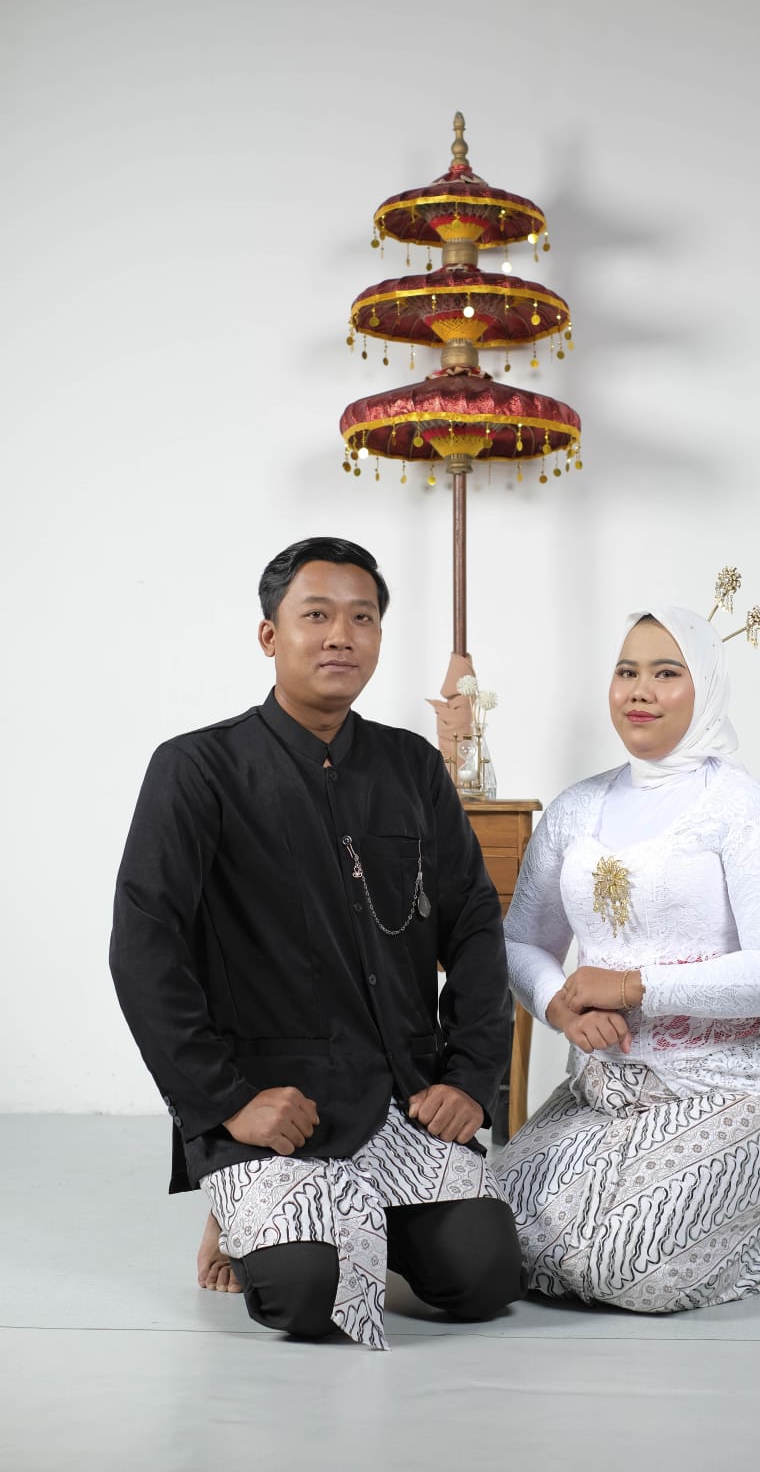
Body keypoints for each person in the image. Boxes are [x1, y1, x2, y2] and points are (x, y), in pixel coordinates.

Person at [110, 536, 522, 1348]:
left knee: (483, 1278)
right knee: (308, 1296)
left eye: (362, 619)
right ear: (271, 635)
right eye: (317, 615)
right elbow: (144, 948)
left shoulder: (412, 767)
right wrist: (227, 1103)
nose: (342, 636)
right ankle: (241, 1208)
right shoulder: (197, 769)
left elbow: (474, 924)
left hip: (400, 1098)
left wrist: (471, 1077)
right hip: (275, 1108)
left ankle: (349, 1219)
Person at [494, 602, 760, 1313]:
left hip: (738, 1083)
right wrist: (558, 1004)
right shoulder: (576, 809)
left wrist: (632, 986)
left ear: (704, 687)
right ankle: (730, 1204)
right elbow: (519, 939)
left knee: (624, 1270)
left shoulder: (745, 810)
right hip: (610, 1088)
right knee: (486, 1237)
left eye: (665, 673)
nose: (640, 691)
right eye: (627, 672)